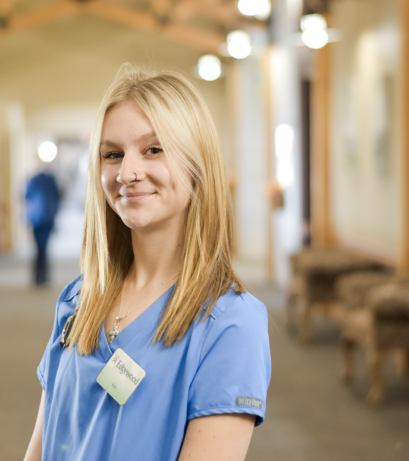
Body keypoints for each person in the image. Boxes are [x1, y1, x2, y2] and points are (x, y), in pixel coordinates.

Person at [24, 64, 271, 461]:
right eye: (112, 154)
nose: (127, 173)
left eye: (154, 149)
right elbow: (42, 445)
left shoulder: (229, 323)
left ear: (197, 163)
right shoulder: (78, 300)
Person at [25, 170, 60, 286]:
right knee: (44, 248)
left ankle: (38, 277)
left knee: (38, 248)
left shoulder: (33, 180)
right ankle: (43, 276)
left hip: (36, 218)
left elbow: (27, 196)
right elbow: (57, 197)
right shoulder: (51, 180)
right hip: (47, 218)